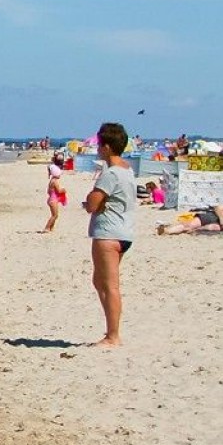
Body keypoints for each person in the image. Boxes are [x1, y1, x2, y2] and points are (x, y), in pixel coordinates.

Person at [82, 122, 135, 347]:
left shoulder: (111, 173)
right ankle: (111, 331)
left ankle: (113, 335)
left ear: (107, 147)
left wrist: (92, 201)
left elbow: (92, 203)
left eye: (99, 145)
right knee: (99, 281)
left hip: (109, 233)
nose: (97, 149)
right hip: (123, 231)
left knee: (110, 285)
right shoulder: (127, 169)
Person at [43, 156, 67, 233]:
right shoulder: (55, 181)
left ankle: (51, 228)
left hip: (52, 199)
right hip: (53, 200)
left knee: (55, 215)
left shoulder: (51, 181)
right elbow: (59, 190)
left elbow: (48, 191)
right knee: (55, 215)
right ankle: (47, 228)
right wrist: (63, 190)